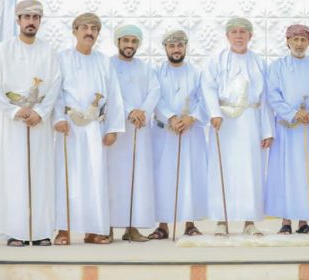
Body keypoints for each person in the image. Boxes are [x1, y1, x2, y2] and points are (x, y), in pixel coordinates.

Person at [0, 0, 61, 246]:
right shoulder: (4, 50)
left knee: (40, 174)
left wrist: (40, 112)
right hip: (12, 124)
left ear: (40, 21)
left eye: (35, 17)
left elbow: (55, 85)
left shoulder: (48, 51)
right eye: (26, 17)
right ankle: (16, 231)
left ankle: (40, 231)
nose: (31, 22)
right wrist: (15, 111)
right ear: (18, 20)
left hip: (39, 123)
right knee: (14, 174)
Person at [53, 13, 125, 245]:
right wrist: (58, 118)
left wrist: (113, 128)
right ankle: (63, 229)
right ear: (74, 30)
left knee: (95, 178)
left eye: (94, 29)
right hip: (70, 126)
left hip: (95, 127)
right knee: (68, 178)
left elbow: (114, 95)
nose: (89, 32)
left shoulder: (104, 61)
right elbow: (55, 91)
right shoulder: (61, 58)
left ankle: (94, 230)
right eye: (84, 27)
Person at [201, 17, 274, 236]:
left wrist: (267, 130)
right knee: (222, 169)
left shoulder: (259, 62)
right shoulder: (216, 61)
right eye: (234, 32)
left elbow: (266, 98)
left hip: (251, 122)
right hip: (223, 123)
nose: (239, 36)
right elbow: (208, 88)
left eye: (243, 32)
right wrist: (214, 113)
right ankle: (221, 221)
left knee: (251, 171)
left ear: (250, 36)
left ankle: (249, 221)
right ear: (227, 36)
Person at [265, 24, 309, 234]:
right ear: (288, 41)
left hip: (307, 129)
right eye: (295, 39)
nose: (299, 44)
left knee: (306, 173)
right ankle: (285, 221)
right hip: (286, 130)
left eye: (303, 40)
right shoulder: (277, 67)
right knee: (284, 174)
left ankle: (303, 221)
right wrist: (293, 113)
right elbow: (273, 95)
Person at [149, 30, 208, 240]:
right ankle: (162, 225)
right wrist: (171, 118)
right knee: (163, 177)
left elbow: (204, 99)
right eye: (172, 46)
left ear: (185, 47)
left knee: (189, 176)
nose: (176, 49)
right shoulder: (155, 73)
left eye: (180, 45)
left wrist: (191, 118)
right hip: (164, 134)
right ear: (165, 48)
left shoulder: (197, 72)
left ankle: (190, 223)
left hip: (190, 132)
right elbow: (155, 98)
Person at [107, 24, 160, 242]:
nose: (130, 45)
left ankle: (133, 226)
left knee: (138, 178)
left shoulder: (145, 68)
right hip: (116, 130)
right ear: (118, 42)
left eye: (134, 41)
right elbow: (112, 93)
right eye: (126, 40)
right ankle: (107, 226)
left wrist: (142, 111)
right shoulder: (108, 65)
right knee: (113, 178)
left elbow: (155, 91)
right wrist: (130, 111)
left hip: (140, 129)